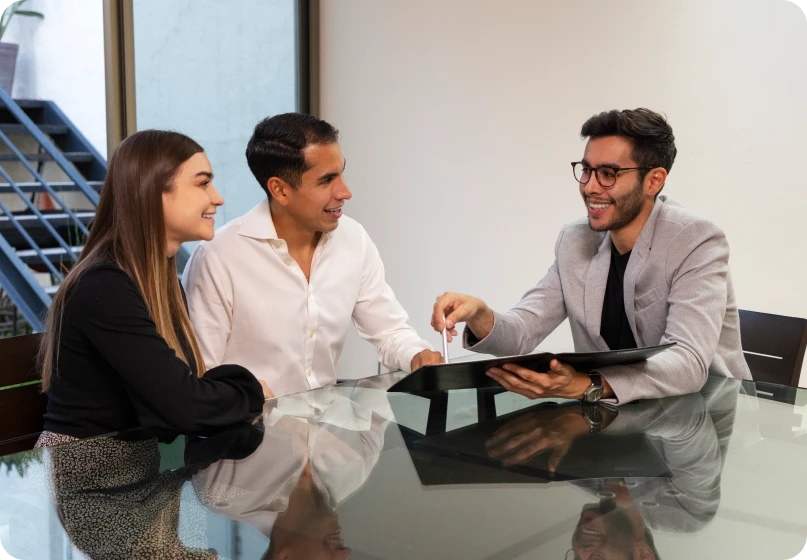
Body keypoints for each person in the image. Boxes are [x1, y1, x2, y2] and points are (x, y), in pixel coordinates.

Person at [432, 108, 751, 404]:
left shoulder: (695, 240)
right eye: (586, 170)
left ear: (654, 180)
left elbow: (688, 362)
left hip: (701, 424)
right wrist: (480, 315)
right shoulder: (575, 240)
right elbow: (523, 333)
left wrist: (588, 385)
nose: (590, 187)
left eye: (609, 173)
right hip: (614, 425)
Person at [37, 130, 270, 448]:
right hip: (82, 477)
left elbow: (172, 409)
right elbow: (185, 406)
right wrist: (252, 390)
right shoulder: (104, 286)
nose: (217, 198)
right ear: (154, 191)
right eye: (202, 183)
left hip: (134, 474)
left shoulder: (159, 283)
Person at [183, 113, 442, 398]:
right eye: (327, 180)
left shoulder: (353, 239)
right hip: (250, 435)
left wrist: (417, 355)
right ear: (279, 189)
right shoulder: (217, 257)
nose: (345, 192)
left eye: (342, 172)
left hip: (330, 434)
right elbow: (204, 374)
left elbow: (390, 332)